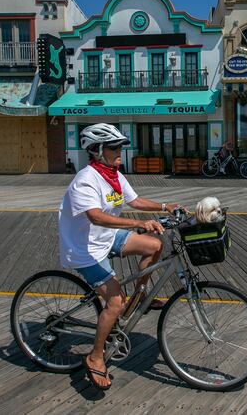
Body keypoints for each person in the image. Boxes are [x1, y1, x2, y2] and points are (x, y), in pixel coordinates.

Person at [58, 123, 181, 390]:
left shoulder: (112, 174)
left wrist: (165, 207)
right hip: (84, 248)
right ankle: (95, 356)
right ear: (97, 151)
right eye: (113, 147)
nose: (119, 152)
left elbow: (134, 201)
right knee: (114, 302)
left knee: (154, 246)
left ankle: (139, 299)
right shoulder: (86, 179)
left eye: (120, 147)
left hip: (105, 238)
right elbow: (96, 216)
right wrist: (137, 223)